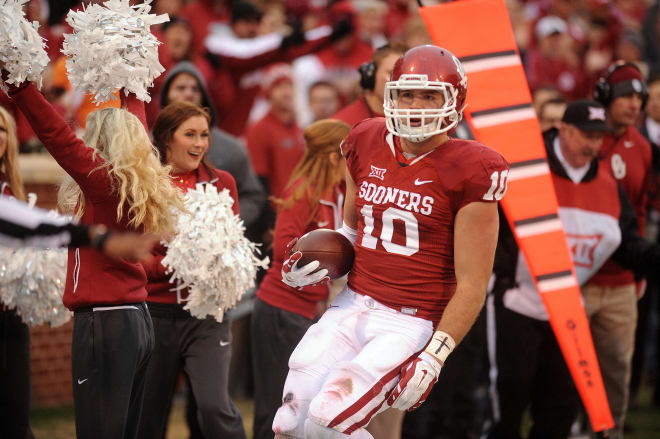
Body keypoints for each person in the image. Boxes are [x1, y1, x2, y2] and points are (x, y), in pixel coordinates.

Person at [272, 45, 509, 439]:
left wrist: (435, 355)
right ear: (389, 95)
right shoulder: (365, 138)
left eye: (430, 95)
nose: (416, 105)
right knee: (289, 424)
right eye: (407, 94)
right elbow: (351, 232)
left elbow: (472, 285)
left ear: (454, 101)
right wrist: (312, 265)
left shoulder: (473, 167)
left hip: (408, 319)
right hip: (351, 303)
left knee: (328, 419)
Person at [2, 60, 184, 438]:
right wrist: (132, 79)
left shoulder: (104, 181)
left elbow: (55, 135)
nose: (82, 140)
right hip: (137, 319)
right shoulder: (138, 180)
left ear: (99, 142)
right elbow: (138, 119)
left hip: (106, 324)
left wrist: (19, 85)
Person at [488, 100, 660, 439]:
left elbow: (626, 244)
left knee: (559, 408)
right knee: (510, 398)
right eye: (586, 136)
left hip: (568, 312)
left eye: (599, 138)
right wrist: (504, 273)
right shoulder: (527, 171)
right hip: (517, 303)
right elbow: (491, 227)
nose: (593, 145)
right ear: (564, 129)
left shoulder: (609, 186)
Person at [137, 101, 247, 439]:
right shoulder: (147, 185)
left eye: (204, 135)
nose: (199, 143)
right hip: (156, 314)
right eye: (190, 135)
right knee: (148, 415)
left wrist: (222, 266)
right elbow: (134, 253)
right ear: (167, 139)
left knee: (215, 408)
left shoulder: (221, 182)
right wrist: (172, 266)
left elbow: (234, 243)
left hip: (207, 317)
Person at [251, 119, 351, 439]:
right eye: (348, 153)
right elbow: (284, 248)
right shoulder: (304, 189)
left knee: (303, 406)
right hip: (281, 309)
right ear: (333, 157)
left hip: (308, 310)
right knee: (277, 405)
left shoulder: (337, 192)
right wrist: (325, 255)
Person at [589, 60, 653, 437]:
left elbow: (641, 211)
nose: (634, 104)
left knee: (616, 368)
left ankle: (610, 432)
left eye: (639, 98)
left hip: (619, 280)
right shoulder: (583, 137)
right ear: (605, 96)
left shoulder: (642, 148)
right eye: (626, 95)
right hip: (578, 272)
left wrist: (639, 269)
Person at [159, 61, 266, 231]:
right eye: (181, 88)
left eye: (195, 89)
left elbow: (253, 195)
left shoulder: (231, 149)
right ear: (166, 95)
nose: (188, 94)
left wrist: (224, 221)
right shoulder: (145, 144)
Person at [333, 42, 407, 126]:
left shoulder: (417, 118)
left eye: (405, 75)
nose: (399, 81)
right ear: (371, 76)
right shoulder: (343, 124)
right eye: (391, 73)